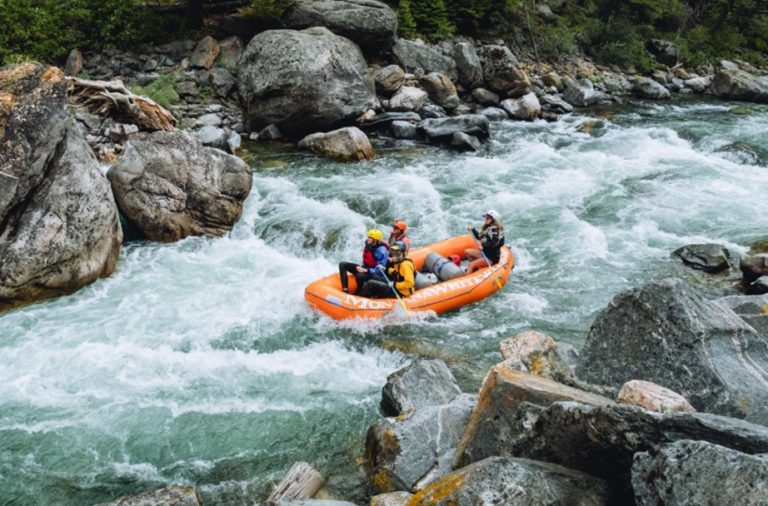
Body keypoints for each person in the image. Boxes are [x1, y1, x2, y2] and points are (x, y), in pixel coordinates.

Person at [338, 229, 389, 294]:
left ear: (375, 240)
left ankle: (359, 292)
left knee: (359, 275)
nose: (368, 239)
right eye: (368, 237)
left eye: (370, 238)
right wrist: (363, 269)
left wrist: (366, 270)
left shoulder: (381, 251)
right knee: (342, 264)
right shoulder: (368, 243)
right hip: (365, 268)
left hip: (374, 274)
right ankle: (345, 289)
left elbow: (380, 271)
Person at [465, 210, 505, 274]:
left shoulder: (495, 230)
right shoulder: (488, 227)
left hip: (491, 258)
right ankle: (476, 268)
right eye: (485, 217)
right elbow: (480, 237)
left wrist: (483, 244)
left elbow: (494, 243)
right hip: (485, 254)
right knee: (467, 252)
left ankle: (470, 271)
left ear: (494, 219)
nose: (486, 219)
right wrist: (473, 230)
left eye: (488, 218)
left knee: (471, 264)